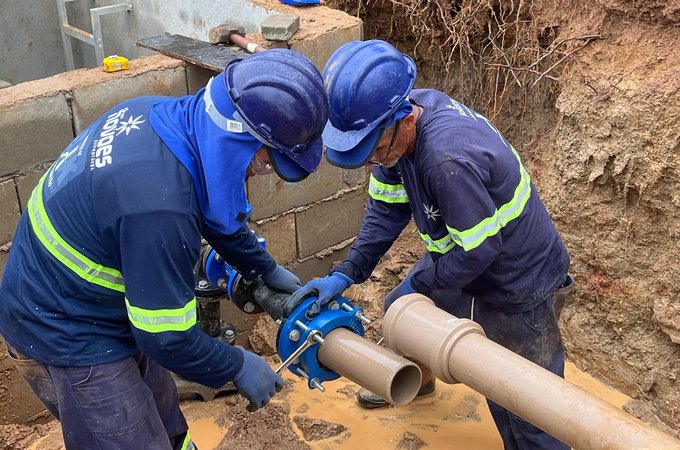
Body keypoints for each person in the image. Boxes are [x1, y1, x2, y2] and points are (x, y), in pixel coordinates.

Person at [0, 49, 329, 450]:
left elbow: (211, 200)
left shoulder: (162, 116)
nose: (261, 170)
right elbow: (167, 339)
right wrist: (237, 365)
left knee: (165, 420)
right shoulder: (158, 206)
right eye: (266, 159)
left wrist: (261, 267)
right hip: (64, 330)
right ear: (238, 136)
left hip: (101, 304)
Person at [291, 40, 573, 450]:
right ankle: (416, 378)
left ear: (403, 120)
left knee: (522, 404)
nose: (374, 162)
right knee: (398, 309)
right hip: (466, 254)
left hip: (518, 283)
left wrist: (423, 287)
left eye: (374, 152)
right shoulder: (398, 125)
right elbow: (386, 212)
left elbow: (480, 251)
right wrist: (346, 272)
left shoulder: (446, 159)